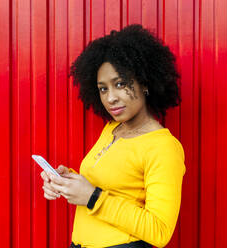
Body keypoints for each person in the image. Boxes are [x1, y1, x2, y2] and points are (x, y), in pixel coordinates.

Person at [41, 24, 186, 248]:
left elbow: (159, 230)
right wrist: (65, 180)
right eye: (103, 89)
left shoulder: (163, 146)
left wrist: (92, 197)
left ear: (144, 83)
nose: (110, 98)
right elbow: (109, 183)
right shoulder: (112, 129)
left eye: (120, 84)